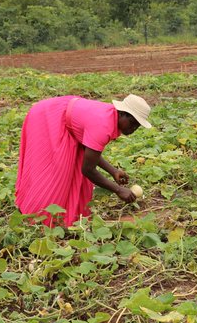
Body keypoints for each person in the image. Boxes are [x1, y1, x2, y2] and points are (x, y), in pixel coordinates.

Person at [15, 94, 152, 227]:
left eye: (137, 126)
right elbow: (88, 170)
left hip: (63, 119)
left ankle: (64, 218)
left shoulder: (111, 117)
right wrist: (118, 190)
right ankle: (35, 217)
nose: (133, 128)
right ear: (122, 113)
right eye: (132, 123)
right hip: (47, 117)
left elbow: (91, 152)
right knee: (52, 174)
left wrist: (113, 171)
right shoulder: (103, 125)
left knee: (69, 174)